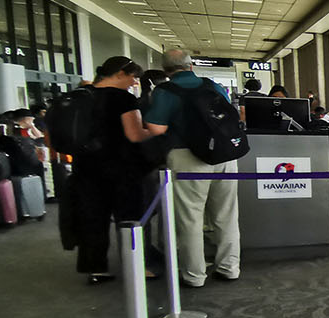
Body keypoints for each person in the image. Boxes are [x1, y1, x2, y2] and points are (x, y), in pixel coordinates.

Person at [143, 47, 240, 287]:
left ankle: (194, 275)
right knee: (226, 215)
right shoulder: (213, 86)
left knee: (190, 218)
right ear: (191, 66)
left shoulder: (165, 91)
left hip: (187, 157)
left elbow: (157, 129)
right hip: (224, 154)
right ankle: (230, 267)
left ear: (166, 70)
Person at [72, 57, 160, 283]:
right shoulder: (123, 99)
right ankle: (136, 266)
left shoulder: (78, 97)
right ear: (120, 73)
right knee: (129, 218)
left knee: (94, 218)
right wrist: (155, 132)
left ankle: (96, 269)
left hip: (85, 167)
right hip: (121, 167)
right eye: (133, 77)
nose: (134, 82)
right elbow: (134, 134)